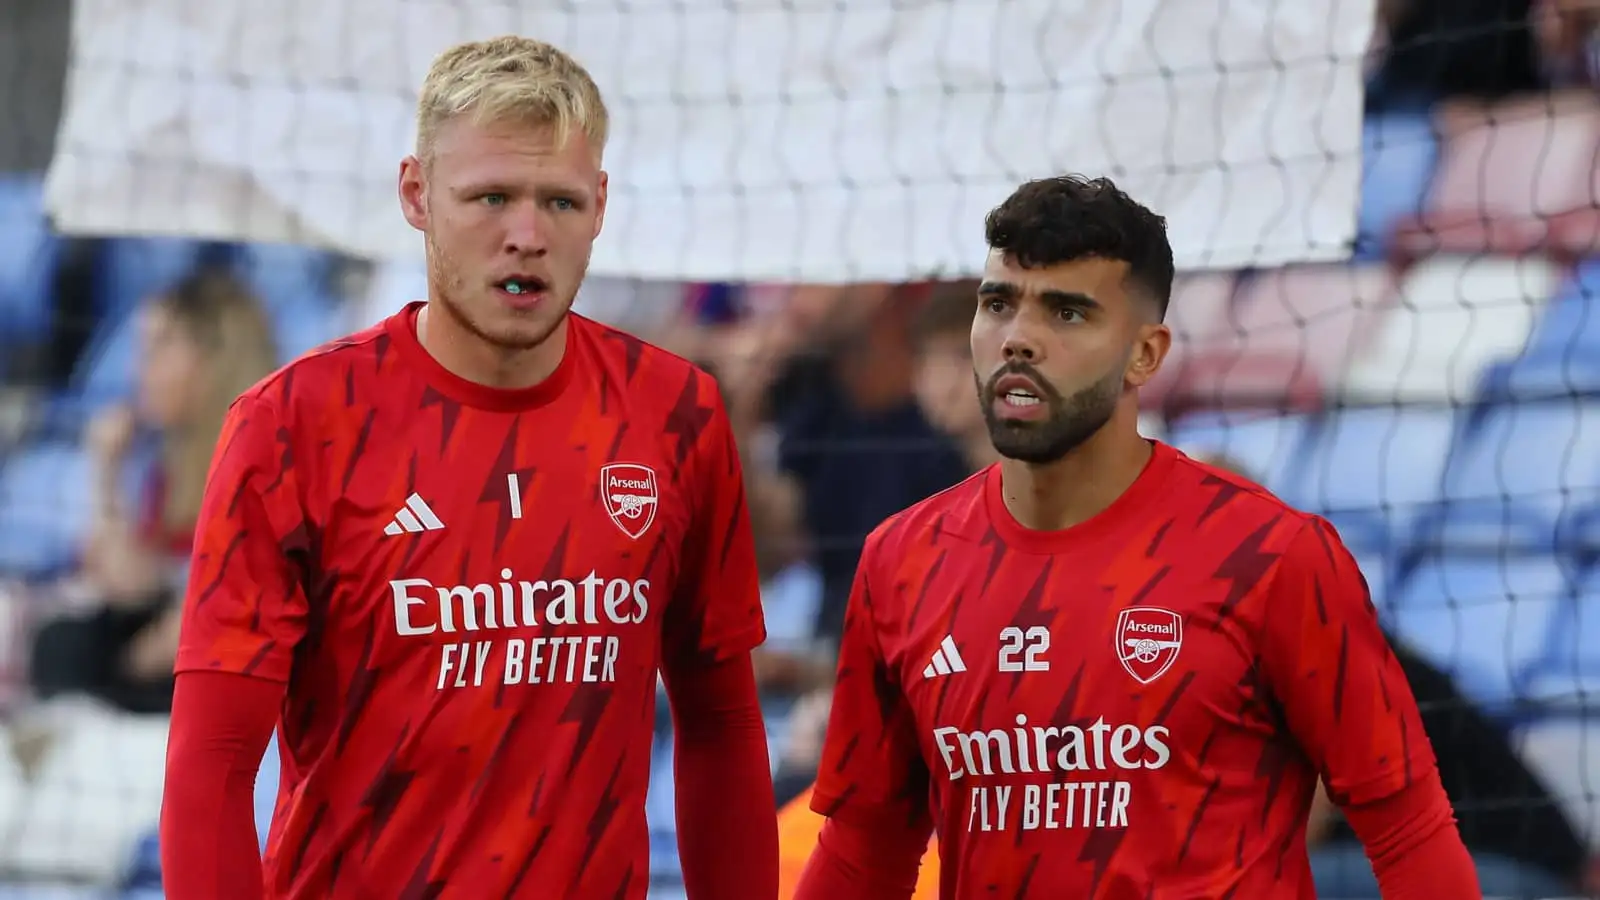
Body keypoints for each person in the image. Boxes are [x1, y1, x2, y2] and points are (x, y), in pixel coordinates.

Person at [159, 37, 778, 899]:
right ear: (416, 194)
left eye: (559, 202)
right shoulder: (294, 425)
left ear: (600, 205)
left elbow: (721, 726)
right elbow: (215, 764)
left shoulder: (676, 417)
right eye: (491, 197)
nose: (526, 235)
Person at [792, 175, 1479, 898]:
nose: (1019, 339)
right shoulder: (901, 561)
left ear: (1145, 355)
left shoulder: (1272, 555)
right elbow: (864, 850)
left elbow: (1407, 829)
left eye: (1068, 312)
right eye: (998, 304)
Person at [31, 269, 278, 715]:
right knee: (62, 642)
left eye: (159, 348)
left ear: (212, 358)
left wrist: (152, 648)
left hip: (235, 659)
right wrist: (105, 470)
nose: (139, 369)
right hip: (174, 644)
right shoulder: (169, 464)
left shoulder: (261, 457)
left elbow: (245, 601)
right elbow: (127, 582)